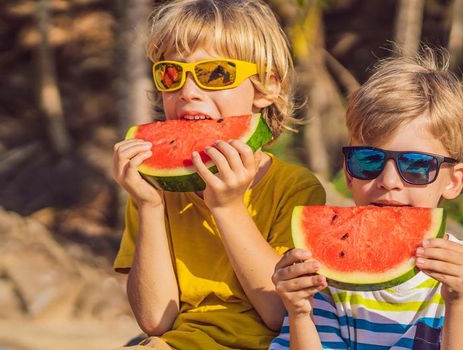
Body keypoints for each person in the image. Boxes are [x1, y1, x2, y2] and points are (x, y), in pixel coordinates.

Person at [111, 1, 325, 348]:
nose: (189, 91)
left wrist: (226, 207)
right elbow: (155, 320)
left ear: (266, 87)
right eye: (171, 74)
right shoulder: (152, 188)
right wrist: (149, 205)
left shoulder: (295, 188)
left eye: (215, 74)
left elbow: (278, 313)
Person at [269, 51, 463, 350]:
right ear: (348, 173)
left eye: (416, 165)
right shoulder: (322, 271)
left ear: (454, 181)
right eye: (369, 160)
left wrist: (458, 300)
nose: (388, 181)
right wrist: (300, 312)